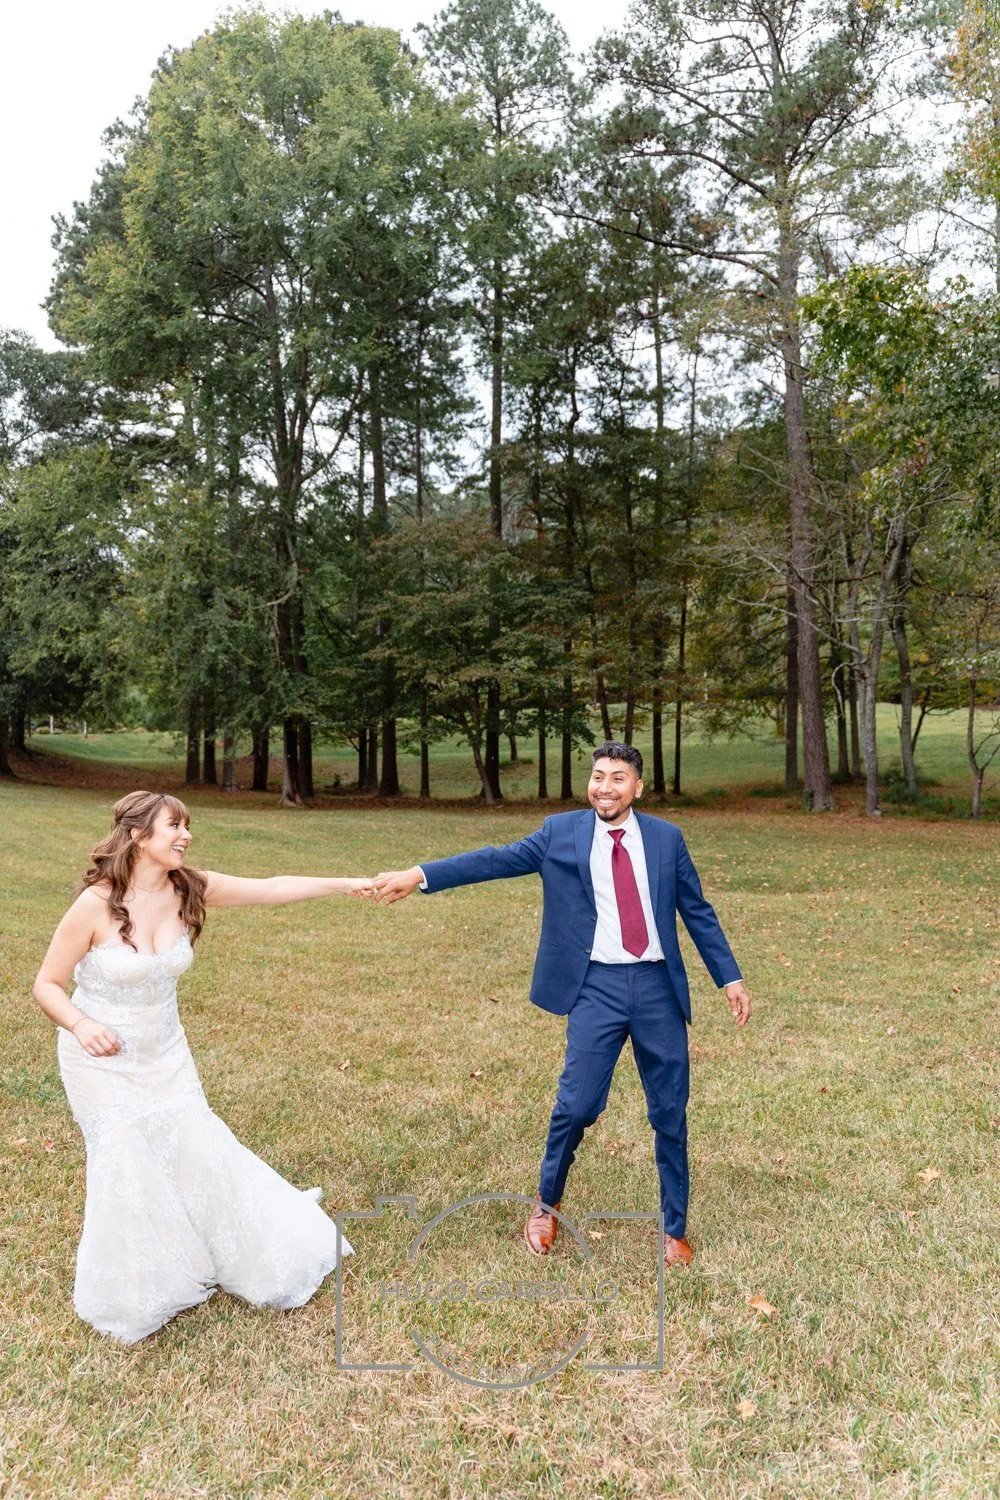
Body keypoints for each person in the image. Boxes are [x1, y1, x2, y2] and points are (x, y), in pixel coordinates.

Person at [372, 741, 751, 1266]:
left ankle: (674, 1227)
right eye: (598, 776)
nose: (606, 787)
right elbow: (495, 860)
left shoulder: (667, 839)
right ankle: (545, 1204)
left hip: (658, 988)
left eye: (618, 778)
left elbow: (697, 911)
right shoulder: (560, 833)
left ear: (637, 787)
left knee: (669, 1110)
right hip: (595, 986)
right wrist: (419, 874)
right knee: (576, 1106)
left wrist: (728, 977)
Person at [33, 790, 370, 1345]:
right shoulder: (94, 904)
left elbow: (274, 888)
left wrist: (347, 884)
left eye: (187, 826)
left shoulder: (189, 886)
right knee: (124, 1157)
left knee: (195, 1144)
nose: (185, 835)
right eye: (174, 826)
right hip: (100, 1060)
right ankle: (138, 1288)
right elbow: (46, 984)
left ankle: (228, 1251)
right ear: (139, 835)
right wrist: (79, 1024)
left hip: (165, 1053)